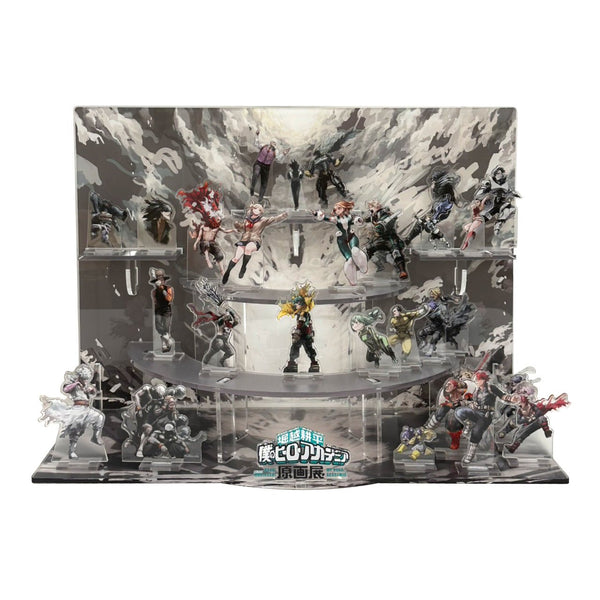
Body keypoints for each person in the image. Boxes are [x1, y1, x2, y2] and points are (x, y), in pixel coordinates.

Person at [222, 204, 288, 284]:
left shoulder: (263, 220)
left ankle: (243, 267)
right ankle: (227, 272)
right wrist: (238, 226)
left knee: (248, 248)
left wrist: (282, 216)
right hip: (244, 239)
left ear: (261, 212)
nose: (257, 211)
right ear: (252, 209)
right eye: (256, 209)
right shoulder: (247, 220)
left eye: (259, 210)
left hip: (255, 240)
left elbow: (273, 219)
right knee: (236, 258)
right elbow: (243, 229)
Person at [314, 200, 368, 285]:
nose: (337, 210)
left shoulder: (350, 217)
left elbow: (357, 220)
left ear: (344, 208)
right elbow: (326, 218)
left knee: (355, 250)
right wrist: (318, 214)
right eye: (335, 209)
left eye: (339, 208)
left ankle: (363, 266)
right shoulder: (336, 219)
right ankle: (352, 279)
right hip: (341, 239)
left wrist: (359, 220)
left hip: (351, 236)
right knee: (349, 259)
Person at [277, 282, 319, 373]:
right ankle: (311, 364)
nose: (296, 306)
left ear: (302, 305)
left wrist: (297, 333)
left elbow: (301, 324)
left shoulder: (303, 314)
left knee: (299, 349)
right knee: (306, 349)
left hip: (303, 335)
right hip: (306, 335)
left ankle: (298, 364)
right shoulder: (303, 313)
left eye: (297, 304)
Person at [364, 200, 408, 279]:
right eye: (369, 208)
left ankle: (402, 271)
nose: (370, 209)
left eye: (371, 207)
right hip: (380, 238)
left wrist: (381, 225)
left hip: (390, 237)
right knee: (369, 247)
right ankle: (362, 264)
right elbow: (366, 219)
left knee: (395, 251)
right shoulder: (374, 215)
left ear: (376, 206)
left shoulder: (386, 213)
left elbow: (388, 222)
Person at [250, 130, 289, 206]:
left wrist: (284, 154)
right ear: (270, 142)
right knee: (256, 174)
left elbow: (278, 159)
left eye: (275, 143)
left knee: (264, 184)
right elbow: (256, 144)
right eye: (273, 142)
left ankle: (260, 199)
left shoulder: (276, 152)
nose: (274, 144)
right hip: (259, 163)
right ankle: (252, 187)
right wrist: (257, 135)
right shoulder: (264, 146)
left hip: (266, 167)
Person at [150, 268, 175, 352]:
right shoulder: (154, 291)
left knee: (166, 328)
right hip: (158, 310)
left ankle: (165, 345)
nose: (160, 281)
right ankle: (168, 340)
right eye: (158, 280)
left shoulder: (169, 288)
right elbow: (155, 301)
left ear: (164, 280)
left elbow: (169, 299)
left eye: (161, 280)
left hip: (166, 310)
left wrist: (161, 288)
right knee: (158, 327)